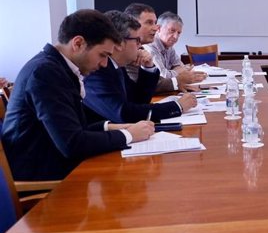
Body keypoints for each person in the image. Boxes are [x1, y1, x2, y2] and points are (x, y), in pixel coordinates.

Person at [1, 10, 154, 181]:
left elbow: (74, 128)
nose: (104, 64)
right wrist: (130, 135)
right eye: (102, 55)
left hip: (60, 166)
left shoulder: (57, 67)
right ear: (78, 43)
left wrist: (117, 128)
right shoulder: (45, 73)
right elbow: (72, 144)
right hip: (44, 180)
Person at [83, 11, 197, 123]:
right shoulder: (97, 70)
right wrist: (177, 106)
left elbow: (138, 100)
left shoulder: (117, 66)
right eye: (137, 40)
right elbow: (123, 113)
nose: (140, 45)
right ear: (119, 43)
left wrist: (148, 68)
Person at [123, 3, 203, 93]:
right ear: (132, 25)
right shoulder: (130, 51)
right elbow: (153, 83)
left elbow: (153, 82)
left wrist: (178, 79)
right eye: (149, 23)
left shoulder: (141, 49)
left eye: (154, 23)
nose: (155, 28)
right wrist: (178, 81)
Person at [144, 11, 206, 88]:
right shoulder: (150, 48)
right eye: (172, 31)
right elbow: (162, 77)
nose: (176, 37)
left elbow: (180, 66)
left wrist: (176, 71)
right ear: (158, 29)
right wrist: (178, 71)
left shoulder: (169, 47)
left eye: (179, 33)